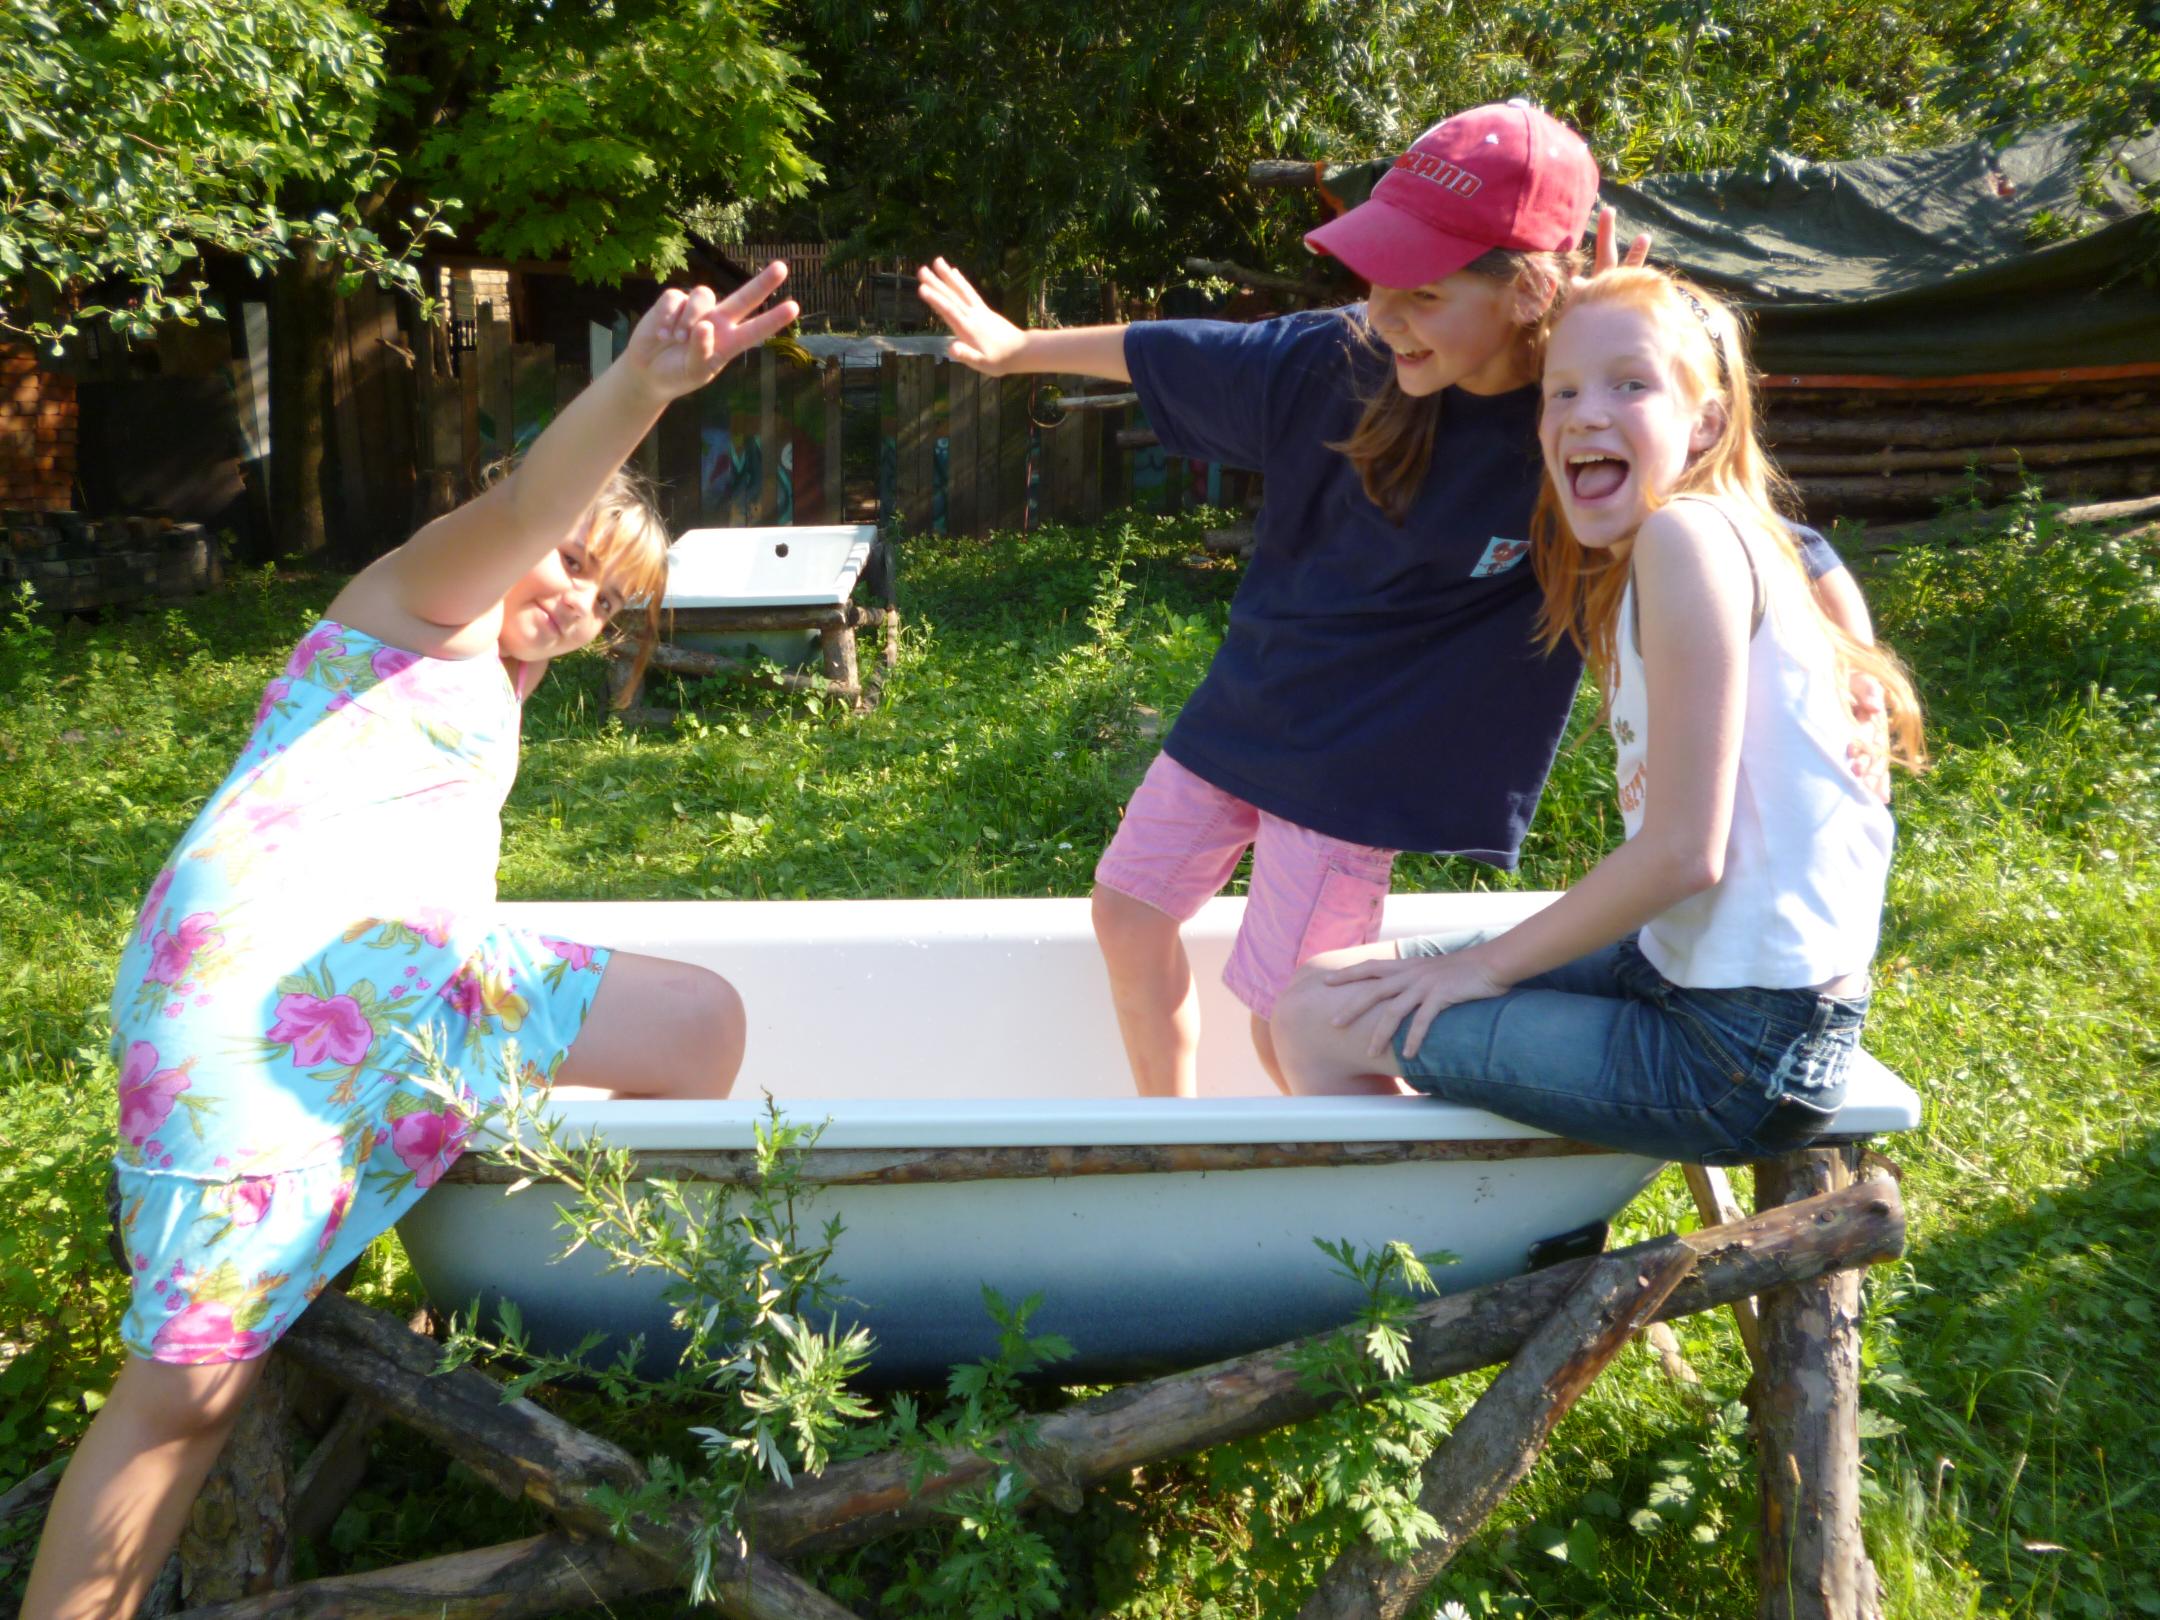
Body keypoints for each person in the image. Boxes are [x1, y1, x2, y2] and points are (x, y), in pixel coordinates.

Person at [21, 267, 801, 1620]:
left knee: (699, 1024)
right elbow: (525, 508)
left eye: (612, 599)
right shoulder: (418, 607)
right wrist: (642, 385)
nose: (581, 599)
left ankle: (570, 1308)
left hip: (392, 999)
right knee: (186, 1397)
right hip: (251, 1010)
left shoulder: (486, 681)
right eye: (576, 563)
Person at [918, 102, 1874, 1098]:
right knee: (1128, 911)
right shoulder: (1338, 360)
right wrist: (1019, 348)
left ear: (1529, 291)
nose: (1384, 315)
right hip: (1253, 705)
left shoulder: (1574, 417)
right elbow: (1178, 348)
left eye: (1422, 292)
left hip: (1364, 765)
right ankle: (1172, 1139)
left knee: (1292, 1020)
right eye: (1376, 282)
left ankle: (1365, 1185)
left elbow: (1764, 529)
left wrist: (1855, 664)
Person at [1270, 265, 1926, 1164]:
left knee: (1320, 1020)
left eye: (1630, 385)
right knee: (1323, 987)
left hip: (1737, 1049)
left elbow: (1684, 853)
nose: (1584, 415)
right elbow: (1811, 556)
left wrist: (1476, 970)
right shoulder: (1719, 532)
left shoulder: (1685, 537)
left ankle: (1413, 1244)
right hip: (1693, 974)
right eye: (1562, 390)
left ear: (1705, 422)